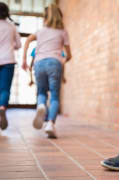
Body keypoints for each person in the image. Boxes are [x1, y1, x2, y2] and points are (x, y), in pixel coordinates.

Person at [22, 4, 72, 138]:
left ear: (46, 17)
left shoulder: (40, 31)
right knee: (55, 96)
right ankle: (50, 123)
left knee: (41, 92)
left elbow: (27, 41)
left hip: (38, 63)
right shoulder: (62, 31)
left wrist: (24, 60)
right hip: (54, 62)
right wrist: (62, 61)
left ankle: (41, 105)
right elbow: (68, 55)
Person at [0, 2, 21, 130]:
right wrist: (10, 45)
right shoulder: (11, 27)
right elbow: (18, 44)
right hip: (8, 60)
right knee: (5, 89)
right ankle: (2, 107)